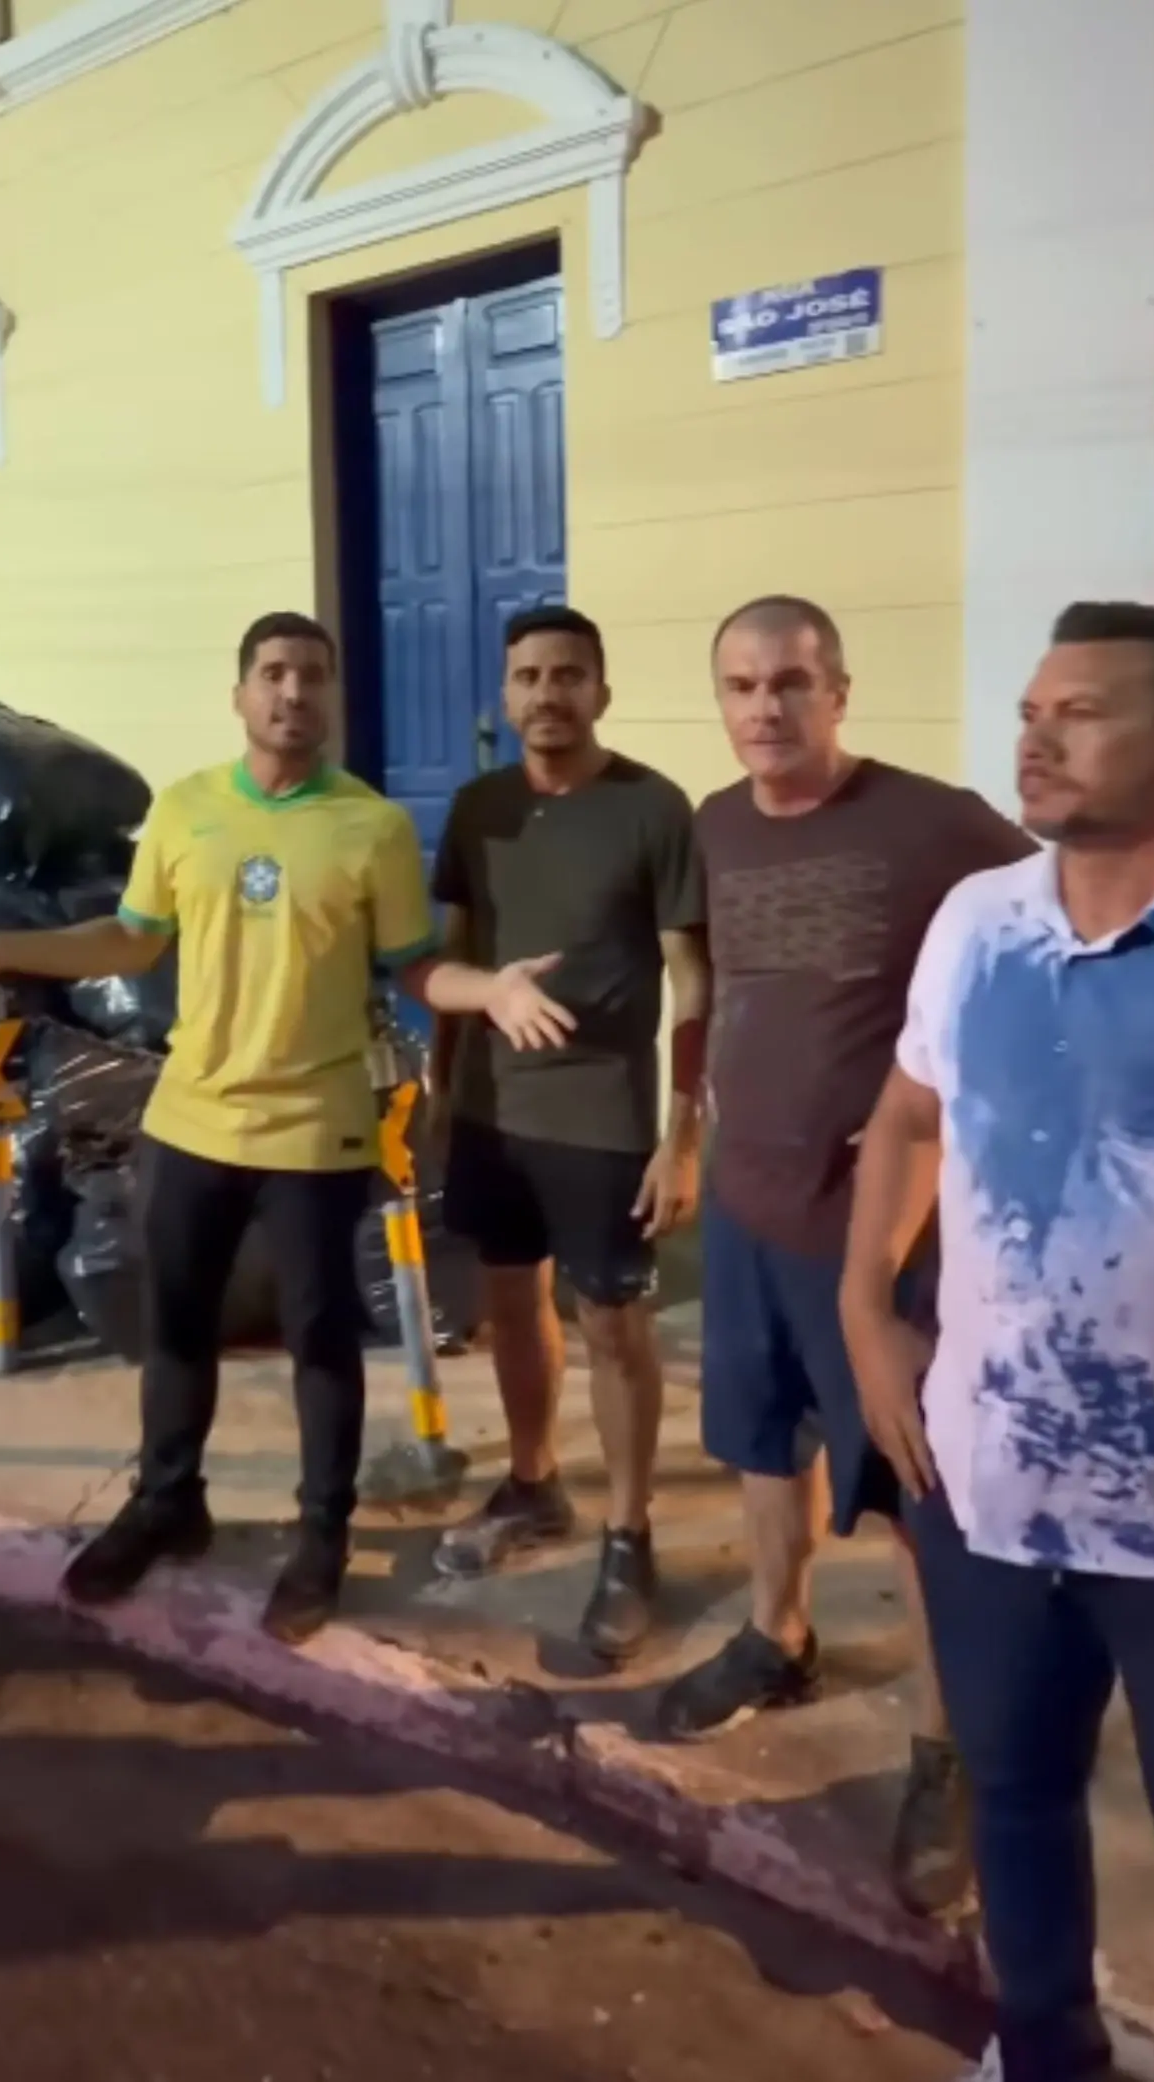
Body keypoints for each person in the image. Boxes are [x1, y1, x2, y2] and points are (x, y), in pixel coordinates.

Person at [0, 611, 571, 1642]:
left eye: (313, 677)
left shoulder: (370, 827)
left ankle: (322, 1534)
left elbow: (414, 966)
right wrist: (4, 949)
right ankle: (170, 1504)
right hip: (192, 1119)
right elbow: (130, 938)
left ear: (332, 698)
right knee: (175, 1327)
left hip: (316, 1129)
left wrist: (488, 990)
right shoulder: (185, 810)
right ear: (242, 692)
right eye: (274, 674)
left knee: (321, 1343)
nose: (294, 694)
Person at [843, 600, 1154, 2082]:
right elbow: (914, 1114)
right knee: (1020, 1789)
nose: (1036, 734)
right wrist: (869, 1307)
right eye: (1033, 708)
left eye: (1084, 711)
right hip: (985, 1477)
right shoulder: (978, 916)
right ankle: (1046, 2048)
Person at [654, 595, 1035, 1920]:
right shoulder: (716, 820)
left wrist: (947, 1100)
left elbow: (1046, 931)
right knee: (765, 1443)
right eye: (744, 685)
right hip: (749, 1210)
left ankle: (950, 1745)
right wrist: (685, 1134)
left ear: (841, 690)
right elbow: (717, 982)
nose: (768, 708)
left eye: (793, 683)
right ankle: (779, 1633)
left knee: (918, 1496)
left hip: (876, 1228)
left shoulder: (940, 823)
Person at [423, 607, 710, 1666]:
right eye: (529, 676)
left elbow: (693, 978)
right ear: (505, 696)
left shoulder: (651, 807)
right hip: (495, 1110)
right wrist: (443, 1088)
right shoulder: (476, 809)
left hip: (603, 1119)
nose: (548, 693)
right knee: (510, 1296)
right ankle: (536, 1483)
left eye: (568, 676)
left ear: (601, 690)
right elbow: (460, 955)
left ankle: (629, 1539)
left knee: (613, 1323)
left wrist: (681, 1133)